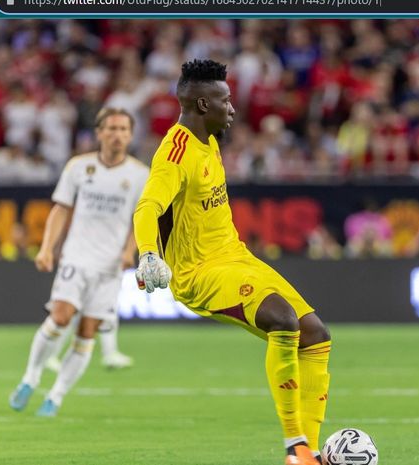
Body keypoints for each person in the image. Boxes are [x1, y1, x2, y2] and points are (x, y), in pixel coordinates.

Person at [132, 59, 331, 465]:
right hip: (199, 273)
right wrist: (148, 252)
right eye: (225, 100)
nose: (233, 108)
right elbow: (148, 206)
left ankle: (305, 453)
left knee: (316, 336)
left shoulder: (210, 139)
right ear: (203, 104)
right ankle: (295, 445)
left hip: (236, 256)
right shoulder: (175, 152)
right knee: (283, 320)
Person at [8, 108, 149, 417]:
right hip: (77, 256)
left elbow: (141, 218)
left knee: (87, 331)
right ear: (99, 133)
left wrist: (131, 251)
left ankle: (55, 397)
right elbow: (60, 210)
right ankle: (30, 378)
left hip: (111, 266)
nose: (117, 134)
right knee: (61, 316)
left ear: (130, 134)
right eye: (111, 128)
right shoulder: (78, 167)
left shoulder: (140, 175)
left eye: (124, 129)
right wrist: (47, 248)